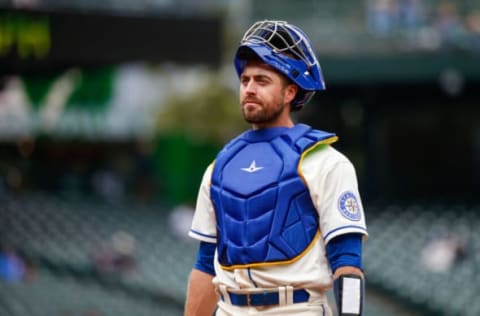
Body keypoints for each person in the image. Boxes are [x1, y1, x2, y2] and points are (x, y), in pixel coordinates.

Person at [184, 20, 368, 316]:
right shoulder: (219, 166)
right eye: (245, 81)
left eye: (262, 80)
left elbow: (347, 261)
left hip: (296, 308)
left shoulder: (326, 162)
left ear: (290, 92)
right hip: (229, 307)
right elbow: (206, 265)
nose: (250, 89)